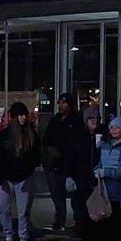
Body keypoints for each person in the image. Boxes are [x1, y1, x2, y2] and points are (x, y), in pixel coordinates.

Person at [0, 102, 41, 241]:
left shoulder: (31, 135)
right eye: (20, 115)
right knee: (2, 208)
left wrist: (28, 170)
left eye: (24, 115)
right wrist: (0, 175)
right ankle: (8, 236)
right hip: (6, 177)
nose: (23, 118)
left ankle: (23, 240)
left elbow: (36, 156)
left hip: (24, 177)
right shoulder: (5, 135)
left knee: (23, 211)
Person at [66, 106, 108, 241]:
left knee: (98, 212)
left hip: (97, 179)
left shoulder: (104, 134)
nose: (94, 121)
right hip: (81, 179)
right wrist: (70, 175)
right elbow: (70, 157)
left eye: (96, 118)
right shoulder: (78, 136)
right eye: (91, 118)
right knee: (83, 212)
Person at [42, 93, 83, 231]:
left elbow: (76, 142)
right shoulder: (55, 120)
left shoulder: (77, 120)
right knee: (57, 194)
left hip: (70, 163)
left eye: (64, 103)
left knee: (75, 195)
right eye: (59, 102)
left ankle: (78, 221)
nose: (61, 105)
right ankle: (60, 220)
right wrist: (50, 151)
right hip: (54, 162)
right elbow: (47, 138)